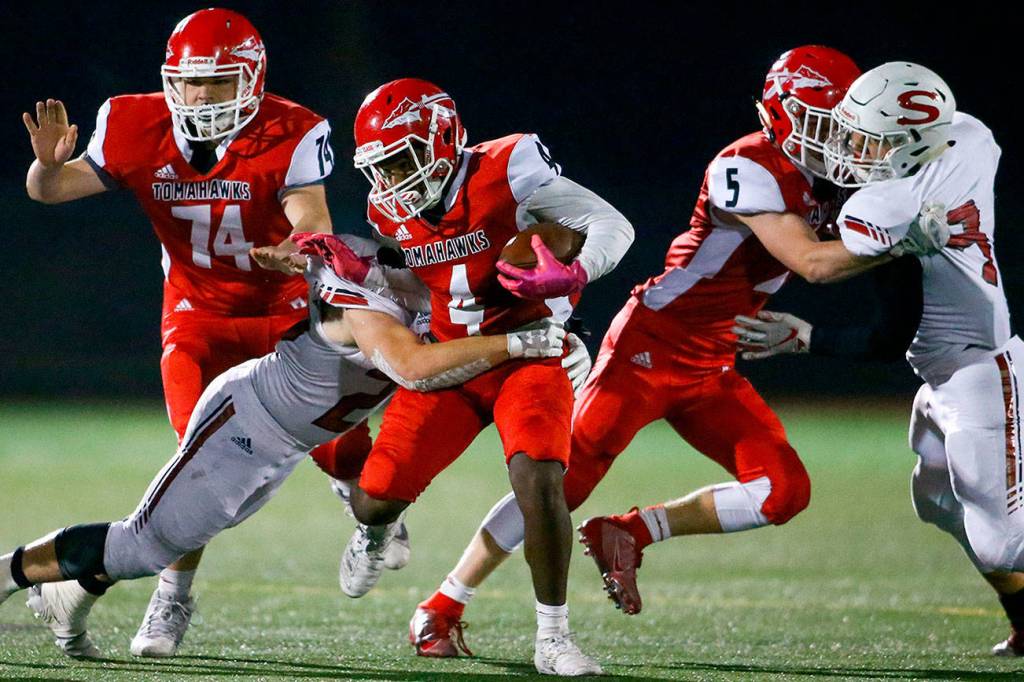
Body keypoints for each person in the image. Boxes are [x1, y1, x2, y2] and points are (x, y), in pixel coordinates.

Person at [404, 46, 945, 656]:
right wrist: (907, 235)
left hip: (714, 362)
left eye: (842, 124)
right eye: (821, 124)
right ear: (782, 117)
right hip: (651, 343)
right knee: (560, 483)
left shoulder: (842, 180)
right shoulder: (747, 165)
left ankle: (632, 531)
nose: (835, 140)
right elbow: (813, 263)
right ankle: (442, 604)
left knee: (784, 491)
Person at [0, 232, 572, 660]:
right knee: (143, 544)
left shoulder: (440, 286)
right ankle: (10, 572)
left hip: (285, 444)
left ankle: (69, 594)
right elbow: (414, 366)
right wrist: (518, 343)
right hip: (247, 420)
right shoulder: (365, 279)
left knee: (170, 535)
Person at [19, 8, 384, 657]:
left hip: (281, 315)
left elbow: (312, 222)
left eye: (217, 82)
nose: (200, 96)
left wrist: (297, 251)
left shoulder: (292, 129)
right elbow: (49, 191)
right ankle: (172, 596)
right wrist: (47, 167)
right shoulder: (132, 123)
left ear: (252, 79)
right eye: (189, 82)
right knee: (199, 463)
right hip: (196, 316)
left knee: (354, 465)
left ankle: (372, 522)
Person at [338, 78, 634, 676]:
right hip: (455, 359)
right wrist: (366, 276)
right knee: (373, 499)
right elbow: (423, 281)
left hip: (530, 354)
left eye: (403, 159)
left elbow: (612, 225)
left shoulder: (510, 167)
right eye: (382, 167)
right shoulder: (386, 209)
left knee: (539, 476)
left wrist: (576, 274)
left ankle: (553, 637)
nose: (393, 179)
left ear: (443, 139)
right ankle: (376, 531)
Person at [733, 61, 1024, 658]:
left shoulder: (883, 206)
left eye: (871, 140)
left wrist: (808, 340)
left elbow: (882, 331)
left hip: (980, 370)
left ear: (910, 145)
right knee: (938, 503)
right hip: (946, 374)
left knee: (1003, 543)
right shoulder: (969, 136)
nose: (853, 149)